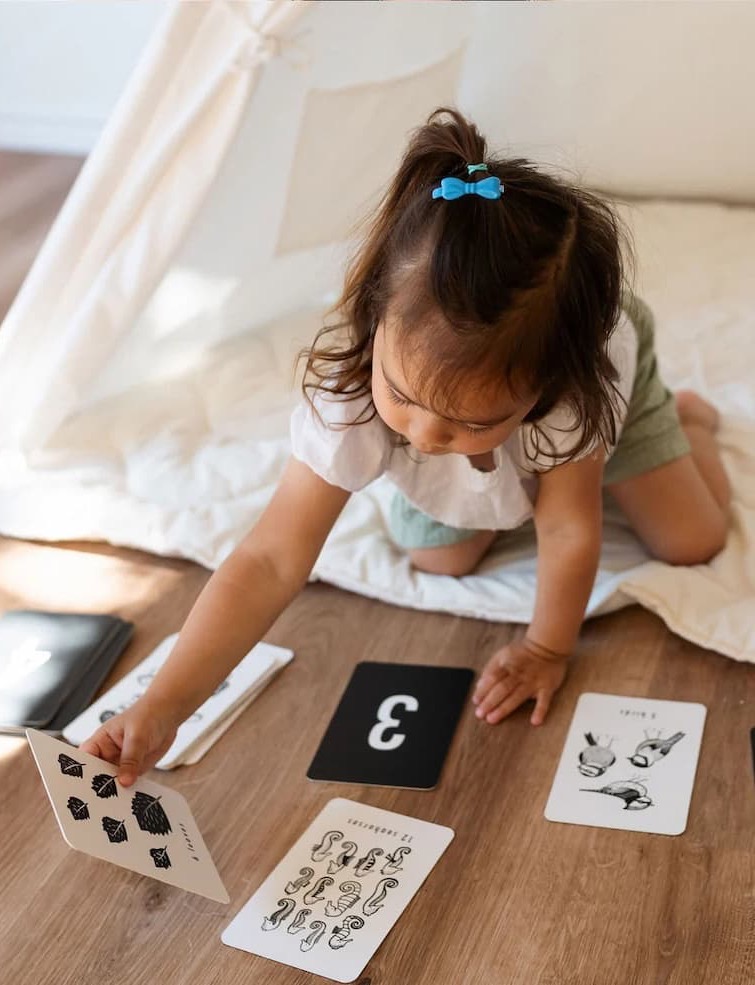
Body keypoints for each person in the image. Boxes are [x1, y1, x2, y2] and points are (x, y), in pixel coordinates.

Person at [79, 107, 731, 786]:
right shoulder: (353, 393)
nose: (422, 435)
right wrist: (163, 704)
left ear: (540, 393)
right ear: (371, 317)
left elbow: (568, 527)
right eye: (405, 397)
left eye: (468, 422)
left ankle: (691, 420)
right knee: (439, 557)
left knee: (693, 539)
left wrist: (545, 646)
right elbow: (271, 557)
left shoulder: (573, 393)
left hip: (586, 413)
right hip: (494, 420)